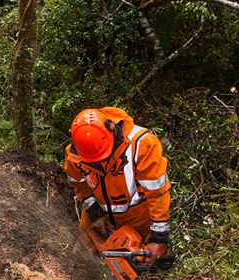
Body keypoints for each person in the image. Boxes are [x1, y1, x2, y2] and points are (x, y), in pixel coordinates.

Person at [64, 107, 171, 265]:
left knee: (138, 265)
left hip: (138, 220)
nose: (100, 164)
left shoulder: (142, 144)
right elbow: (79, 186)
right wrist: (94, 214)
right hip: (98, 219)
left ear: (113, 131)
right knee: (80, 263)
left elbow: (157, 192)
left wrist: (159, 237)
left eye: (101, 159)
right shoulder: (75, 154)